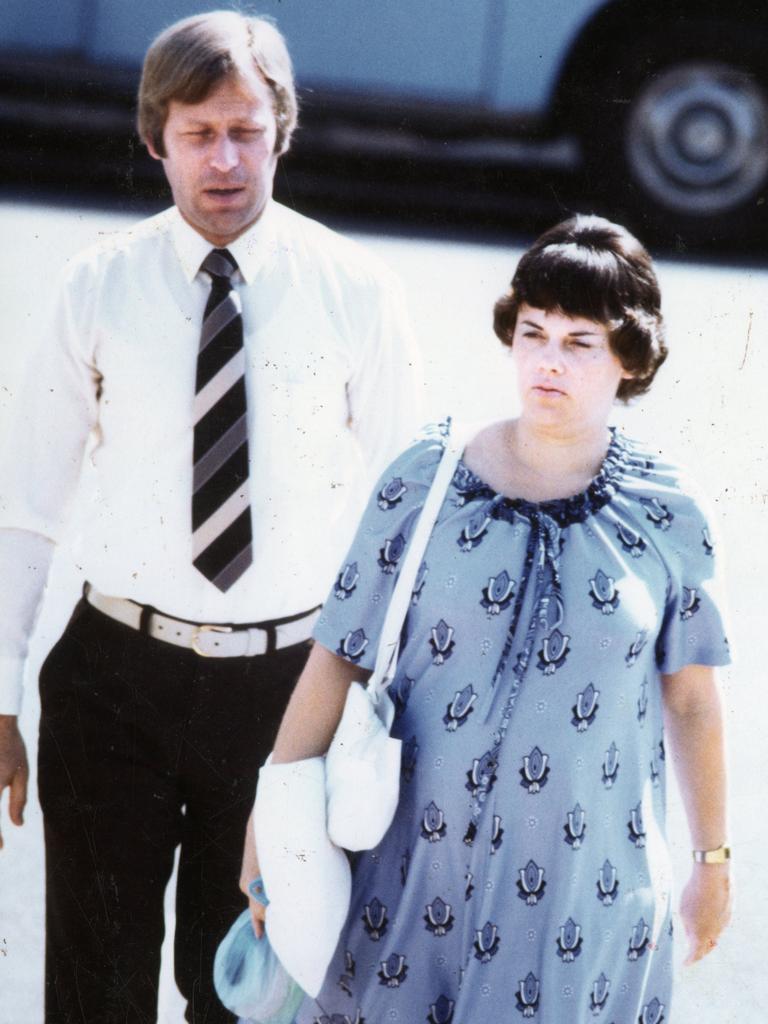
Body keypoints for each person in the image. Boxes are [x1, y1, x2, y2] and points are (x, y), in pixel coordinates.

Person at [0, 10, 419, 1023]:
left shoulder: (354, 290)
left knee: (240, 992)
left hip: (286, 695)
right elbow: (24, 508)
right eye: (198, 133)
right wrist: (1, 695)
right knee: (93, 992)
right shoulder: (96, 287)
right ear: (156, 138)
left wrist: (381, 706)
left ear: (284, 131)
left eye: (246, 130)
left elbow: (405, 522)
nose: (225, 160)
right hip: (115, 682)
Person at [243, 215, 732, 1024]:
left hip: (584, 894)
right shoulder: (425, 475)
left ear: (629, 358)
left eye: (581, 341)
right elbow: (338, 658)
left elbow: (692, 699)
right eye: (534, 332)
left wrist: (714, 862)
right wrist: (271, 829)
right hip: (406, 882)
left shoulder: (670, 512)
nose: (548, 360)